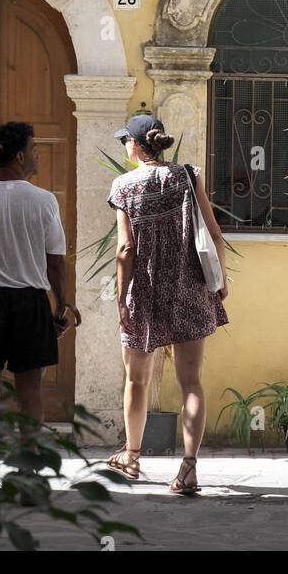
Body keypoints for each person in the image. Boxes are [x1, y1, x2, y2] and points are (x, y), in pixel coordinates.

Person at [107, 113, 229, 495]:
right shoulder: (188, 177)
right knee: (190, 382)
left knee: (136, 379)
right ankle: (189, 469)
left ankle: (131, 456)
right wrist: (220, 280)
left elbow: (125, 247)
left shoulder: (123, 186)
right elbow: (213, 232)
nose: (124, 145)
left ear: (137, 144)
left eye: (126, 140)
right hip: (189, 287)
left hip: (142, 291)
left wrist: (121, 296)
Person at [0, 120, 81, 426]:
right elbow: (56, 262)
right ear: (20, 157)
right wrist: (61, 303)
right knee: (30, 391)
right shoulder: (44, 200)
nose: (37, 156)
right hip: (31, 304)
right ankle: (31, 466)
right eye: (33, 149)